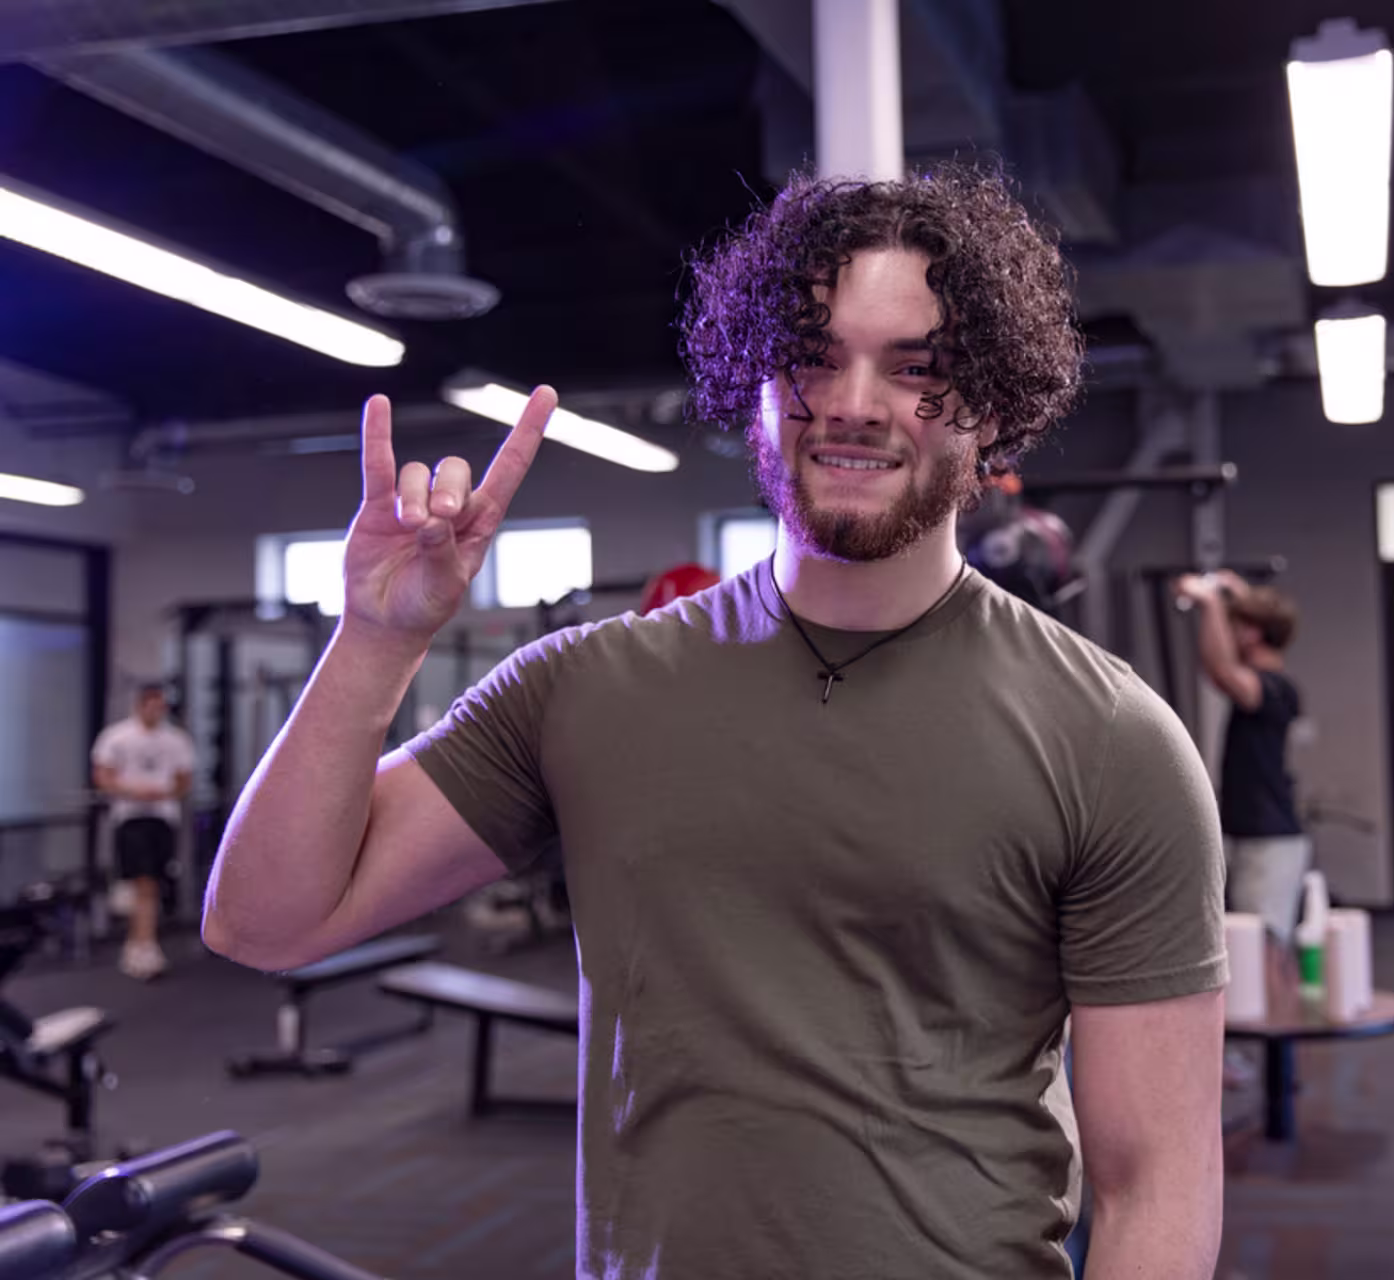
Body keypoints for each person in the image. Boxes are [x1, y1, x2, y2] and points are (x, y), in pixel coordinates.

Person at [203, 165, 1227, 1280]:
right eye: (816, 354)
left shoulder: (1112, 738)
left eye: (917, 368)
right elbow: (263, 922)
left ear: (986, 408)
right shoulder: (582, 689)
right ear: (756, 377)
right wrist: (375, 638)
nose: (854, 401)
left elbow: (1156, 1183)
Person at [1174, 571, 1308, 948]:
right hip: (1248, 834)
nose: (1227, 635)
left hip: (1270, 842)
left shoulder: (1276, 689)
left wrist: (1211, 603)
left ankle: (1279, 1008)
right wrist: (1240, 595)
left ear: (1251, 634)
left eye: (1236, 627)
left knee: (1261, 949)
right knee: (1244, 948)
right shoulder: (1268, 683)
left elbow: (1221, 670)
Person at [91, 682, 196, 980]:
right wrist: (133, 791)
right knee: (144, 882)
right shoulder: (117, 737)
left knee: (152, 884)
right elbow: (103, 776)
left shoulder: (176, 740)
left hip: (163, 818)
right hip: (130, 817)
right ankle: (144, 945)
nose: (156, 710)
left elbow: (183, 781)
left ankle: (138, 943)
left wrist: (162, 793)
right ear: (139, 705)